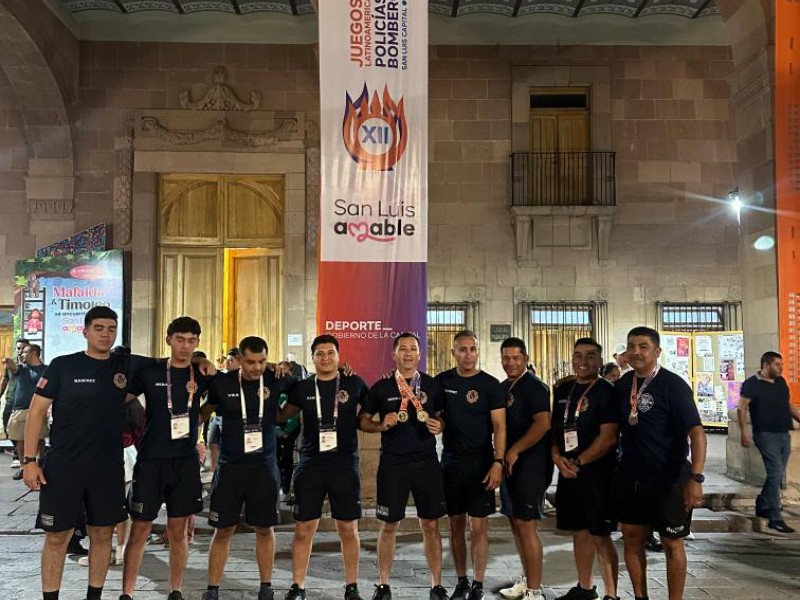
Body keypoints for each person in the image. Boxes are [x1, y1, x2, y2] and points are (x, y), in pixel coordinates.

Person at [21, 308, 146, 600]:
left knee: (102, 534)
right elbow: (36, 413)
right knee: (58, 536)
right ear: (86, 331)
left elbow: (169, 364)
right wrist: (29, 461)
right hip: (64, 465)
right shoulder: (63, 366)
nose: (105, 333)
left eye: (111, 328)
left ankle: (94, 597)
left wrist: (202, 362)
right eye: (99, 327)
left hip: (107, 467)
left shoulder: (124, 367)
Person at [612, 327, 706, 600]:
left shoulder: (673, 385)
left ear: (657, 352)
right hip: (631, 477)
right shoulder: (622, 385)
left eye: (643, 346)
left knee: (671, 542)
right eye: (631, 346)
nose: (636, 351)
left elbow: (697, 434)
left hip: (670, 477)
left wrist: (696, 479)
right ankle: (641, 596)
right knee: (631, 537)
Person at [120, 317, 209, 600]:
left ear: (197, 342)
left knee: (177, 529)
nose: (185, 346)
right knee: (140, 528)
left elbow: (242, 372)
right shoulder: (150, 371)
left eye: (191, 340)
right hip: (151, 459)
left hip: (184, 461)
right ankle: (127, 593)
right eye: (180, 339)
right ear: (168, 339)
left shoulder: (203, 374)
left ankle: (175, 590)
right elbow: (118, 397)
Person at [359, 332, 448, 600]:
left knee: (430, 525)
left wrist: (439, 425)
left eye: (413, 349)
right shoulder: (383, 387)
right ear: (394, 354)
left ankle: (436, 585)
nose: (408, 353)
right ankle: (383, 585)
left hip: (426, 463)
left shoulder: (432, 385)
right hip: (393, 464)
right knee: (389, 525)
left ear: (420, 354)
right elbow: (363, 420)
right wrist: (379, 425)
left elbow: (442, 419)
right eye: (402, 349)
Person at [199, 336, 289, 600]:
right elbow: (205, 410)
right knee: (223, 529)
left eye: (262, 361)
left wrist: (281, 365)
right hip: (230, 468)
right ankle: (213, 588)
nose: (256, 368)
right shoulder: (224, 382)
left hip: (264, 468)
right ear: (239, 360)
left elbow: (303, 393)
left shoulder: (275, 378)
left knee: (264, 528)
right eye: (250, 362)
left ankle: (266, 586)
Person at [281, 335, 368, 600]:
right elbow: (283, 414)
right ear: (313, 358)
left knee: (348, 529)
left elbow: (368, 413)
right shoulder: (303, 387)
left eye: (331, 353)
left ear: (339, 357)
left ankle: (351, 587)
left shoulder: (354, 383)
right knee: (304, 528)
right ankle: (298, 586)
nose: (326, 358)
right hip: (311, 464)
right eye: (320, 354)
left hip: (344, 463)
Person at [434, 330, 505, 600]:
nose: (467, 354)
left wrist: (498, 461)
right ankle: (462, 579)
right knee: (455, 525)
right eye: (462, 349)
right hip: (451, 463)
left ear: (478, 351)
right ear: (454, 353)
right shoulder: (442, 382)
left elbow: (500, 427)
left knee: (479, 527)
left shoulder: (491, 385)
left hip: (482, 464)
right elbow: (435, 416)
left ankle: (478, 583)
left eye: (472, 349)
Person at [551, 339, 620, 600]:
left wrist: (579, 462)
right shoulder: (564, 389)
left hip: (597, 474)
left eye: (591, 356)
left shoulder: (607, 391)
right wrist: (557, 456)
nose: (583, 361)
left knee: (599, 534)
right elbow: (556, 428)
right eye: (578, 355)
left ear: (600, 361)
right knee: (578, 530)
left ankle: (611, 594)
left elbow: (609, 437)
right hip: (568, 471)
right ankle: (585, 587)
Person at [497, 338, 552, 600]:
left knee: (527, 525)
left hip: (531, 465)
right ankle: (526, 579)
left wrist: (516, 449)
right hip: (510, 466)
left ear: (526, 358)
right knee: (516, 523)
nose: (510, 363)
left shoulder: (534, 386)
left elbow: (543, 424)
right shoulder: (504, 387)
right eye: (506, 358)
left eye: (516, 358)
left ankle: (535, 590)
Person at [738, 351, 800, 533]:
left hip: (783, 432)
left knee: (777, 474)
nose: (781, 367)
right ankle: (775, 517)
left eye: (781, 364)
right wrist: (744, 432)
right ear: (766, 365)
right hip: (765, 434)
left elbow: (788, 405)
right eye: (777, 364)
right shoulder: (751, 384)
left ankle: (763, 503)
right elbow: (742, 408)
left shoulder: (781, 383)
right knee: (775, 473)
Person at [4, 344, 48, 481]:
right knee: (20, 440)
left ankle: (40, 463)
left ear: (34, 353)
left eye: (25, 352)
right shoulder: (21, 369)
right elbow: (8, 362)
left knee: (39, 438)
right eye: (20, 352)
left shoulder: (46, 370)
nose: (21, 354)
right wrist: (9, 360)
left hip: (38, 409)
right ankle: (23, 467)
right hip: (19, 409)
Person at [1, 337, 29, 464]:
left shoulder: (33, 365)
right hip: (11, 401)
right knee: (8, 429)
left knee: (25, 432)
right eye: (18, 348)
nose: (20, 351)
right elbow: (4, 380)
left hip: (26, 403)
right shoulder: (11, 365)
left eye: (23, 348)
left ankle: (21, 458)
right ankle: (18, 454)